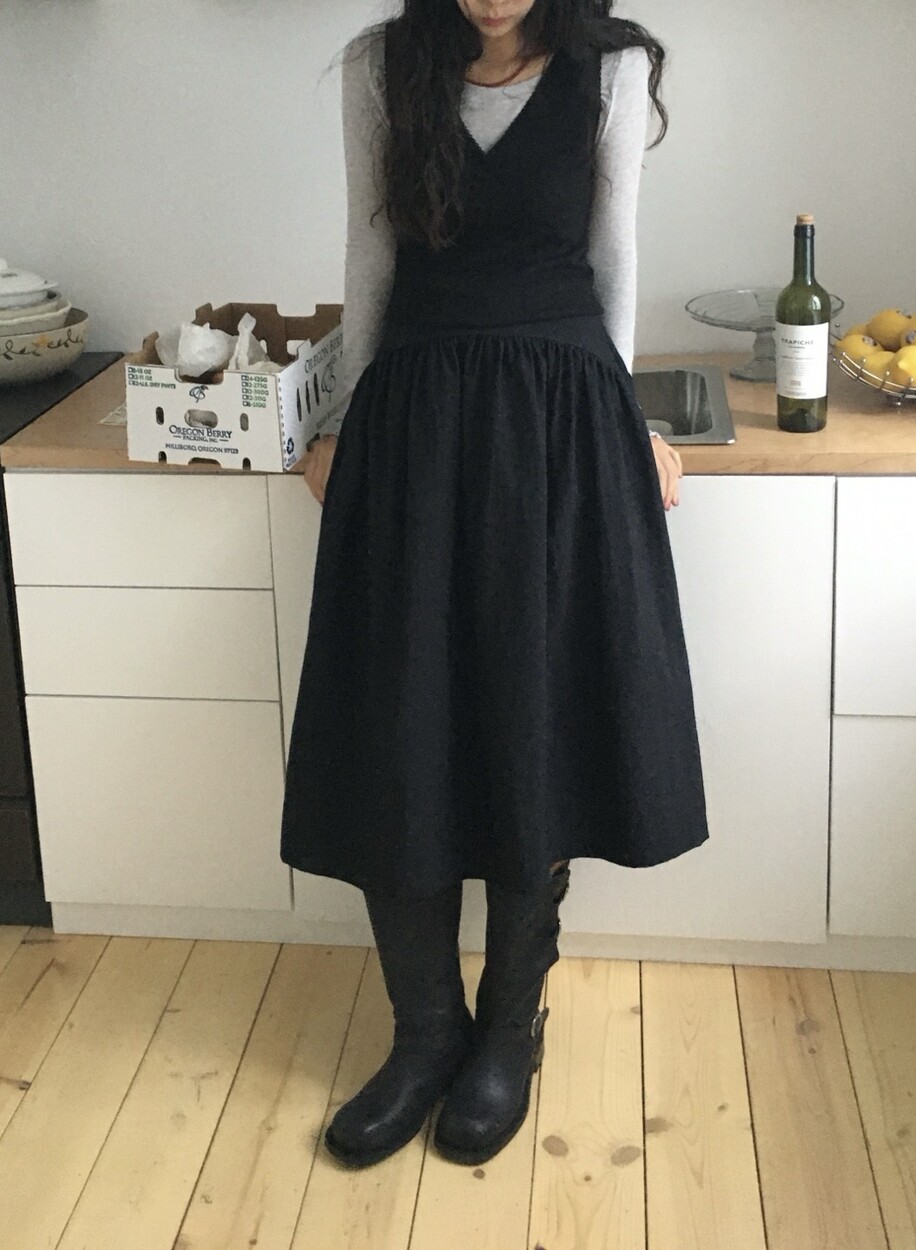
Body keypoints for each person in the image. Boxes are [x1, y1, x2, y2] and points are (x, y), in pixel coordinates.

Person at [280, 0, 710, 1170]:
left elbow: (612, 260)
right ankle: (425, 1033)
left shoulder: (610, 71)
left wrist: (624, 420)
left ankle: (507, 1031)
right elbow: (370, 255)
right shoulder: (381, 65)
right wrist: (344, 419)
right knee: (401, 726)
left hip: (558, 422)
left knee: (535, 717)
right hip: (415, 419)